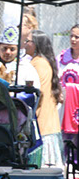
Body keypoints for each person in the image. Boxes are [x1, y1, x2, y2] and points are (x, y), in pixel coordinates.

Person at [25, 30, 64, 167]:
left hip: (43, 126)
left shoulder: (38, 64)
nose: (25, 44)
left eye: (28, 41)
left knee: (42, 170)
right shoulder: (41, 62)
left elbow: (37, 93)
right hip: (48, 125)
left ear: (36, 44)